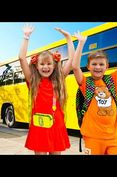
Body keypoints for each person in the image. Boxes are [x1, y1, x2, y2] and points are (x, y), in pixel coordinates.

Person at [72, 28, 117, 155]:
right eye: (94, 64)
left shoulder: (112, 80)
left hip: (114, 137)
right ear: (88, 67)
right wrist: (81, 43)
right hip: (92, 137)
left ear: (107, 66)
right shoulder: (85, 83)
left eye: (101, 64)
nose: (98, 67)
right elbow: (75, 67)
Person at [19, 24, 75, 155]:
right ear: (36, 66)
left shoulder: (59, 79)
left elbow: (71, 60)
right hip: (40, 127)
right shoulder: (33, 81)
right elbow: (21, 58)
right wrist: (26, 36)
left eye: (49, 63)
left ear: (55, 66)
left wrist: (68, 39)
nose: (45, 67)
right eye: (42, 64)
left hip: (57, 126)